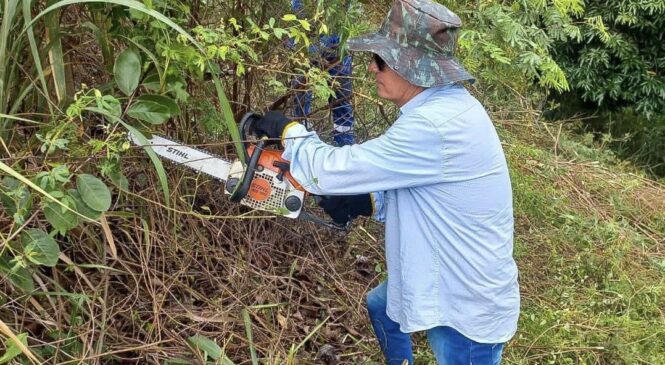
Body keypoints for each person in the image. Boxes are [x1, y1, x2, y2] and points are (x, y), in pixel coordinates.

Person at [254, 0, 520, 364]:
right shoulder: (443, 109)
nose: (371, 68)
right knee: (382, 305)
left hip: (466, 305)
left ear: (410, 66)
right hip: (446, 272)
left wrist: (289, 131)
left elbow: (330, 169)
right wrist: (368, 202)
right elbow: (430, 190)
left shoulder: (433, 125)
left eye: (379, 60)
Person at [290, 0, 356, 146]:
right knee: (300, 97)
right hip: (305, 41)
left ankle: (344, 148)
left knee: (341, 101)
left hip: (337, 45)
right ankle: (300, 144)